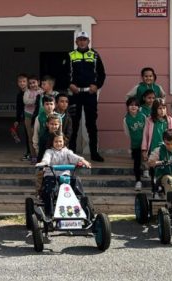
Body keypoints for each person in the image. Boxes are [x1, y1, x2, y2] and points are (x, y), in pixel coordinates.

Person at [65, 31, 105, 162]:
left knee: (91, 124)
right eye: (80, 39)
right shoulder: (71, 55)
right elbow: (63, 73)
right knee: (73, 124)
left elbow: (102, 74)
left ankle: (94, 153)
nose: (82, 42)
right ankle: (71, 153)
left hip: (90, 94)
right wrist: (70, 84)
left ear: (88, 41)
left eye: (85, 39)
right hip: (75, 94)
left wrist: (96, 85)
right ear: (76, 41)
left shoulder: (94, 55)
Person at [35, 132, 91, 203]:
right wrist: (44, 163)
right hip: (51, 175)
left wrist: (83, 160)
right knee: (49, 190)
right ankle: (49, 212)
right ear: (52, 142)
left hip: (65, 175)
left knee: (76, 180)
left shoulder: (67, 152)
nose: (58, 143)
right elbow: (46, 159)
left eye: (60, 141)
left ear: (64, 141)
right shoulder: (49, 151)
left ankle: (81, 202)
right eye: (56, 141)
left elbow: (74, 157)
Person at [141, 98, 172, 194]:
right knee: (154, 171)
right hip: (153, 151)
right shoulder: (149, 120)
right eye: (160, 108)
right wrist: (144, 150)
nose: (162, 111)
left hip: (166, 150)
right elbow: (145, 135)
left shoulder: (169, 120)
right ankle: (154, 190)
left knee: (165, 170)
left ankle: (164, 190)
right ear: (155, 109)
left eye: (164, 108)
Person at [33, 115, 63, 196]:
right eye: (52, 124)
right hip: (46, 164)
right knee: (41, 180)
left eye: (56, 124)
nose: (54, 126)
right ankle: (40, 194)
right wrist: (41, 165)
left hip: (59, 164)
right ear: (47, 124)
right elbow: (41, 152)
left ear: (59, 124)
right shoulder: (43, 137)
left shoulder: (61, 136)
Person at [123, 97, 147, 191]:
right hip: (135, 144)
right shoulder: (126, 119)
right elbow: (127, 132)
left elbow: (146, 129)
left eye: (135, 105)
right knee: (136, 163)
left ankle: (146, 170)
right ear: (128, 107)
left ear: (138, 107)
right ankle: (138, 181)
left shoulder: (143, 116)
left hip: (145, 143)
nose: (133, 107)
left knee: (146, 158)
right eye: (131, 105)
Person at [23, 75, 43, 162]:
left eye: (34, 82)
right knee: (30, 137)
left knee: (39, 136)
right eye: (30, 83)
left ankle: (41, 155)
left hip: (39, 116)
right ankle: (33, 156)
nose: (32, 85)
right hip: (28, 116)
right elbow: (26, 101)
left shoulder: (42, 91)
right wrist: (36, 99)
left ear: (38, 82)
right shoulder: (27, 92)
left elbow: (43, 102)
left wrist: (34, 100)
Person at [14, 73, 30, 161]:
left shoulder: (31, 92)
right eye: (20, 81)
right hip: (25, 117)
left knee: (32, 137)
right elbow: (19, 108)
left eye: (24, 81)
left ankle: (33, 154)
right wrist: (17, 120)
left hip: (33, 117)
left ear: (27, 82)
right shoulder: (19, 95)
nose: (22, 83)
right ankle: (29, 153)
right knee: (28, 136)